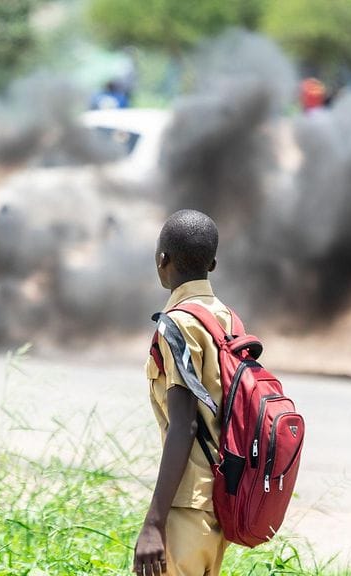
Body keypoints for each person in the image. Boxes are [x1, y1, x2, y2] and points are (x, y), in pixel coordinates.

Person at [134, 209, 231, 576]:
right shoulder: (224, 318)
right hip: (218, 506)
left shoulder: (179, 324)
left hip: (187, 507)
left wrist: (154, 524)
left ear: (162, 260)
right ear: (213, 264)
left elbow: (183, 426)